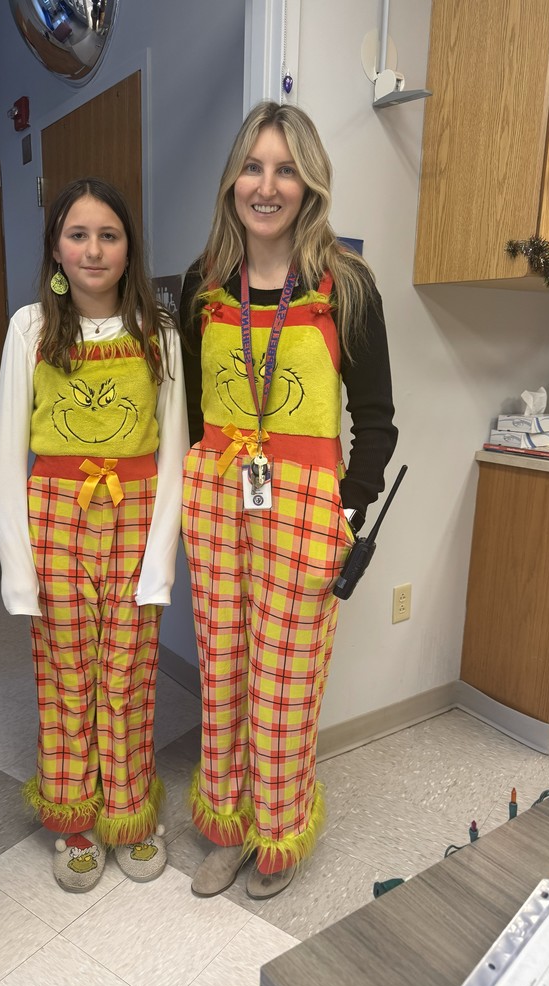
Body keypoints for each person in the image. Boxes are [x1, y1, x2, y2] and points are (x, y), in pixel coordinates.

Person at [180, 101, 398, 900]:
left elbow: (376, 422)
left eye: (284, 169)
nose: (265, 185)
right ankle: (230, 828)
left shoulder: (350, 287)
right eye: (252, 166)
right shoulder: (200, 288)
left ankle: (281, 833)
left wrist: (346, 511)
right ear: (233, 179)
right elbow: (195, 413)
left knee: (284, 685)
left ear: (308, 183)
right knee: (225, 672)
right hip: (218, 501)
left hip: (305, 509)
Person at [0, 178, 188, 893]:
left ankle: (129, 813)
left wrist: (160, 556)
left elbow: (176, 454)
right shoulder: (29, 329)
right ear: (55, 248)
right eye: (78, 235)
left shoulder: (159, 331)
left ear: (129, 248)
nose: (93, 249)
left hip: (134, 521)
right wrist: (19, 564)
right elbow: (7, 450)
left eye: (109, 235)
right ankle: (75, 818)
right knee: (66, 679)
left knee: (130, 678)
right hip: (55, 521)